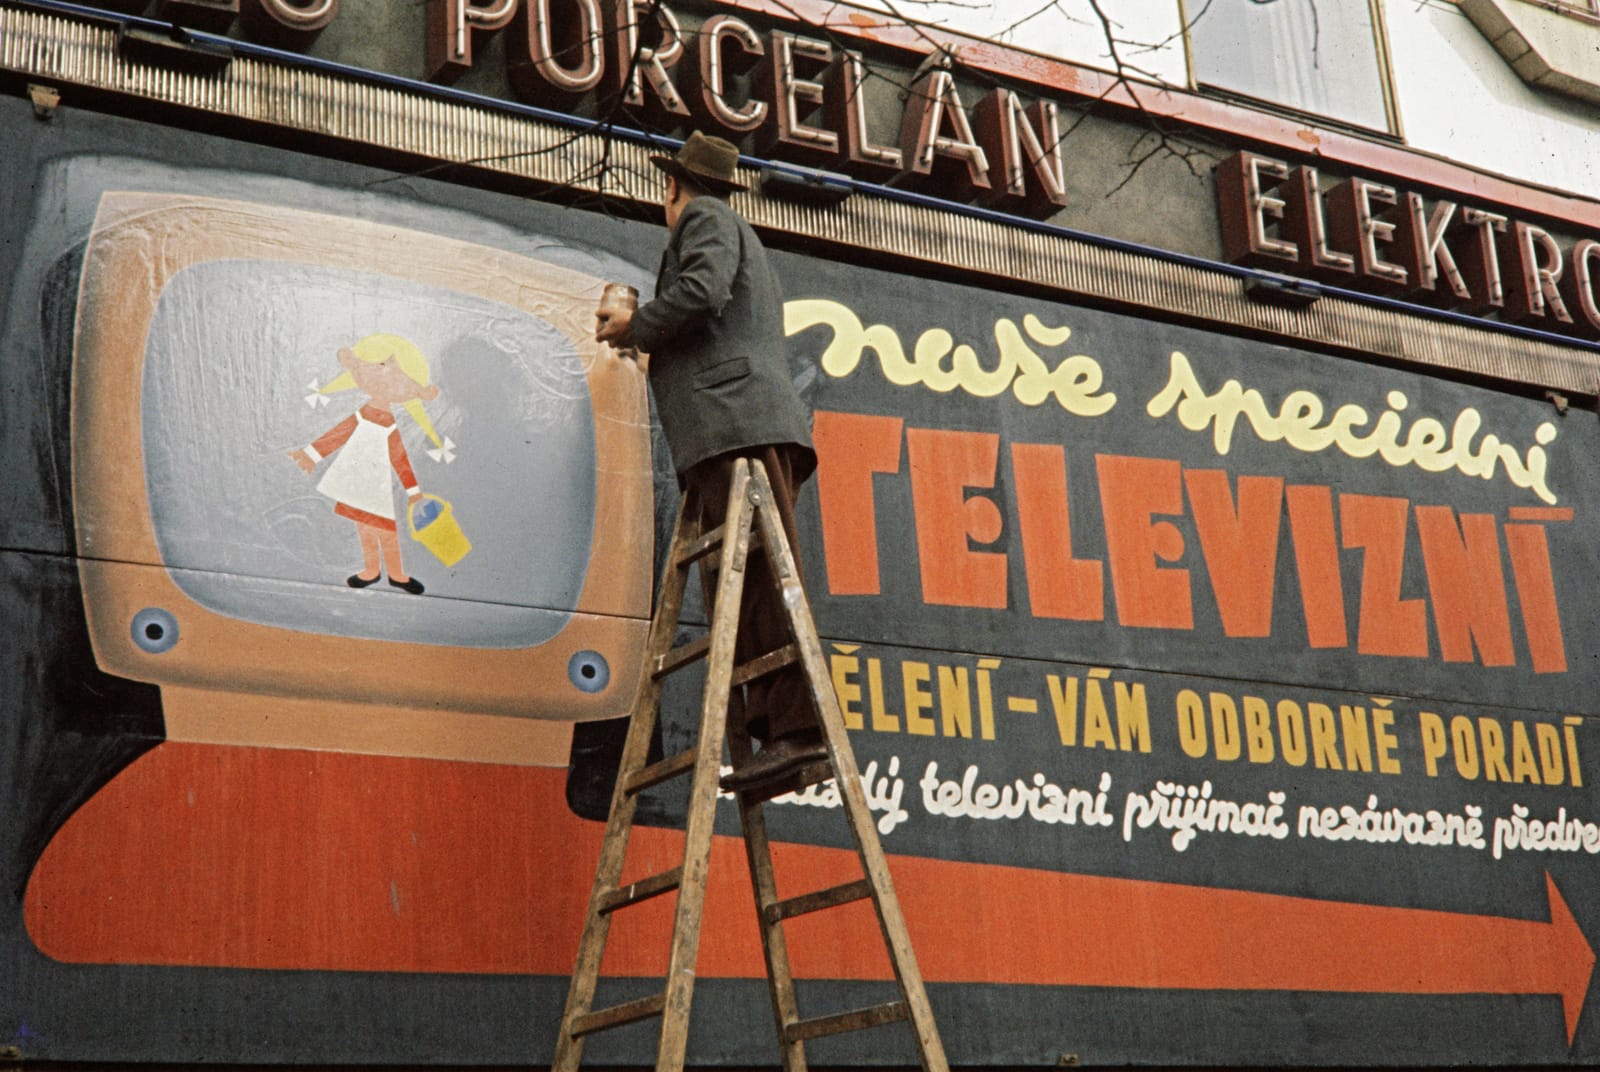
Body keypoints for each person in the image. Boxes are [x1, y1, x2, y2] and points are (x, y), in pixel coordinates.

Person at [595, 131, 822, 790]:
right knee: (742, 579)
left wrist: (636, 329)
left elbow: (701, 290)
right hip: (731, 426)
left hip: (735, 424)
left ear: (672, 187)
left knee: (758, 578)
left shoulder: (706, 217)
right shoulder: (725, 221)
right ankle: (781, 738)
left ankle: (798, 728)